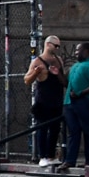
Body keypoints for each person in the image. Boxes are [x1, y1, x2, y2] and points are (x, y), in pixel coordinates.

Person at [26, 35, 67, 167]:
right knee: (42, 128)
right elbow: (27, 79)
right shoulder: (38, 61)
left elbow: (64, 81)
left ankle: (50, 155)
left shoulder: (58, 60)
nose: (57, 48)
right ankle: (42, 156)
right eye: (56, 46)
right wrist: (36, 72)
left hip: (57, 100)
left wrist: (57, 73)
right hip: (43, 101)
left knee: (55, 129)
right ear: (48, 44)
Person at [62, 42, 89, 170]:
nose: (75, 52)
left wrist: (81, 93)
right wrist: (58, 73)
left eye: (78, 50)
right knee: (73, 132)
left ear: (86, 51)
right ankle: (70, 160)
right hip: (69, 102)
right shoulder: (74, 67)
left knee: (88, 131)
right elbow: (65, 83)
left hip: (86, 102)